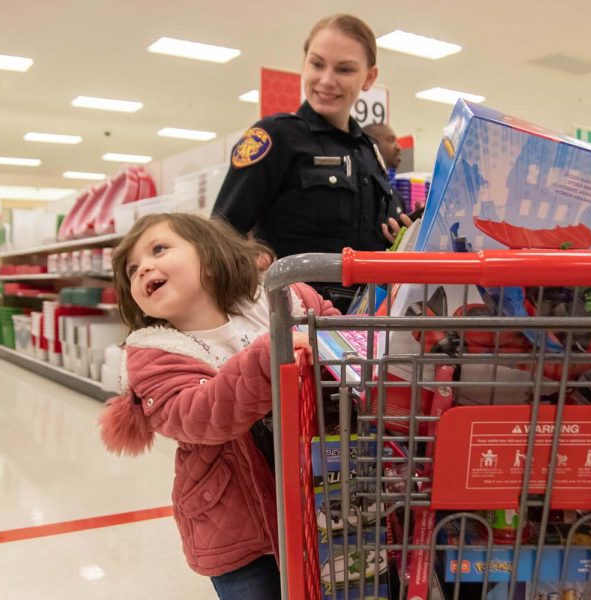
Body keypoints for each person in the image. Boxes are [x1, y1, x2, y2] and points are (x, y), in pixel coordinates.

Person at [97, 213, 338, 600]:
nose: (143, 268)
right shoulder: (154, 352)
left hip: (322, 492)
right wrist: (267, 357)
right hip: (238, 527)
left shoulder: (279, 300)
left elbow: (340, 339)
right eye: (131, 269)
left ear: (210, 255)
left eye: (159, 249)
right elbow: (199, 416)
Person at [212, 14, 411, 308]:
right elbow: (221, 234)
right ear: (304, 63)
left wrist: (397, 238)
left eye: (344, 69)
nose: (327, 80)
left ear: (368, 78)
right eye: (317, 64)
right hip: (295, 321)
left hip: (366, 322)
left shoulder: (369, 150)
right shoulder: (275, 136)